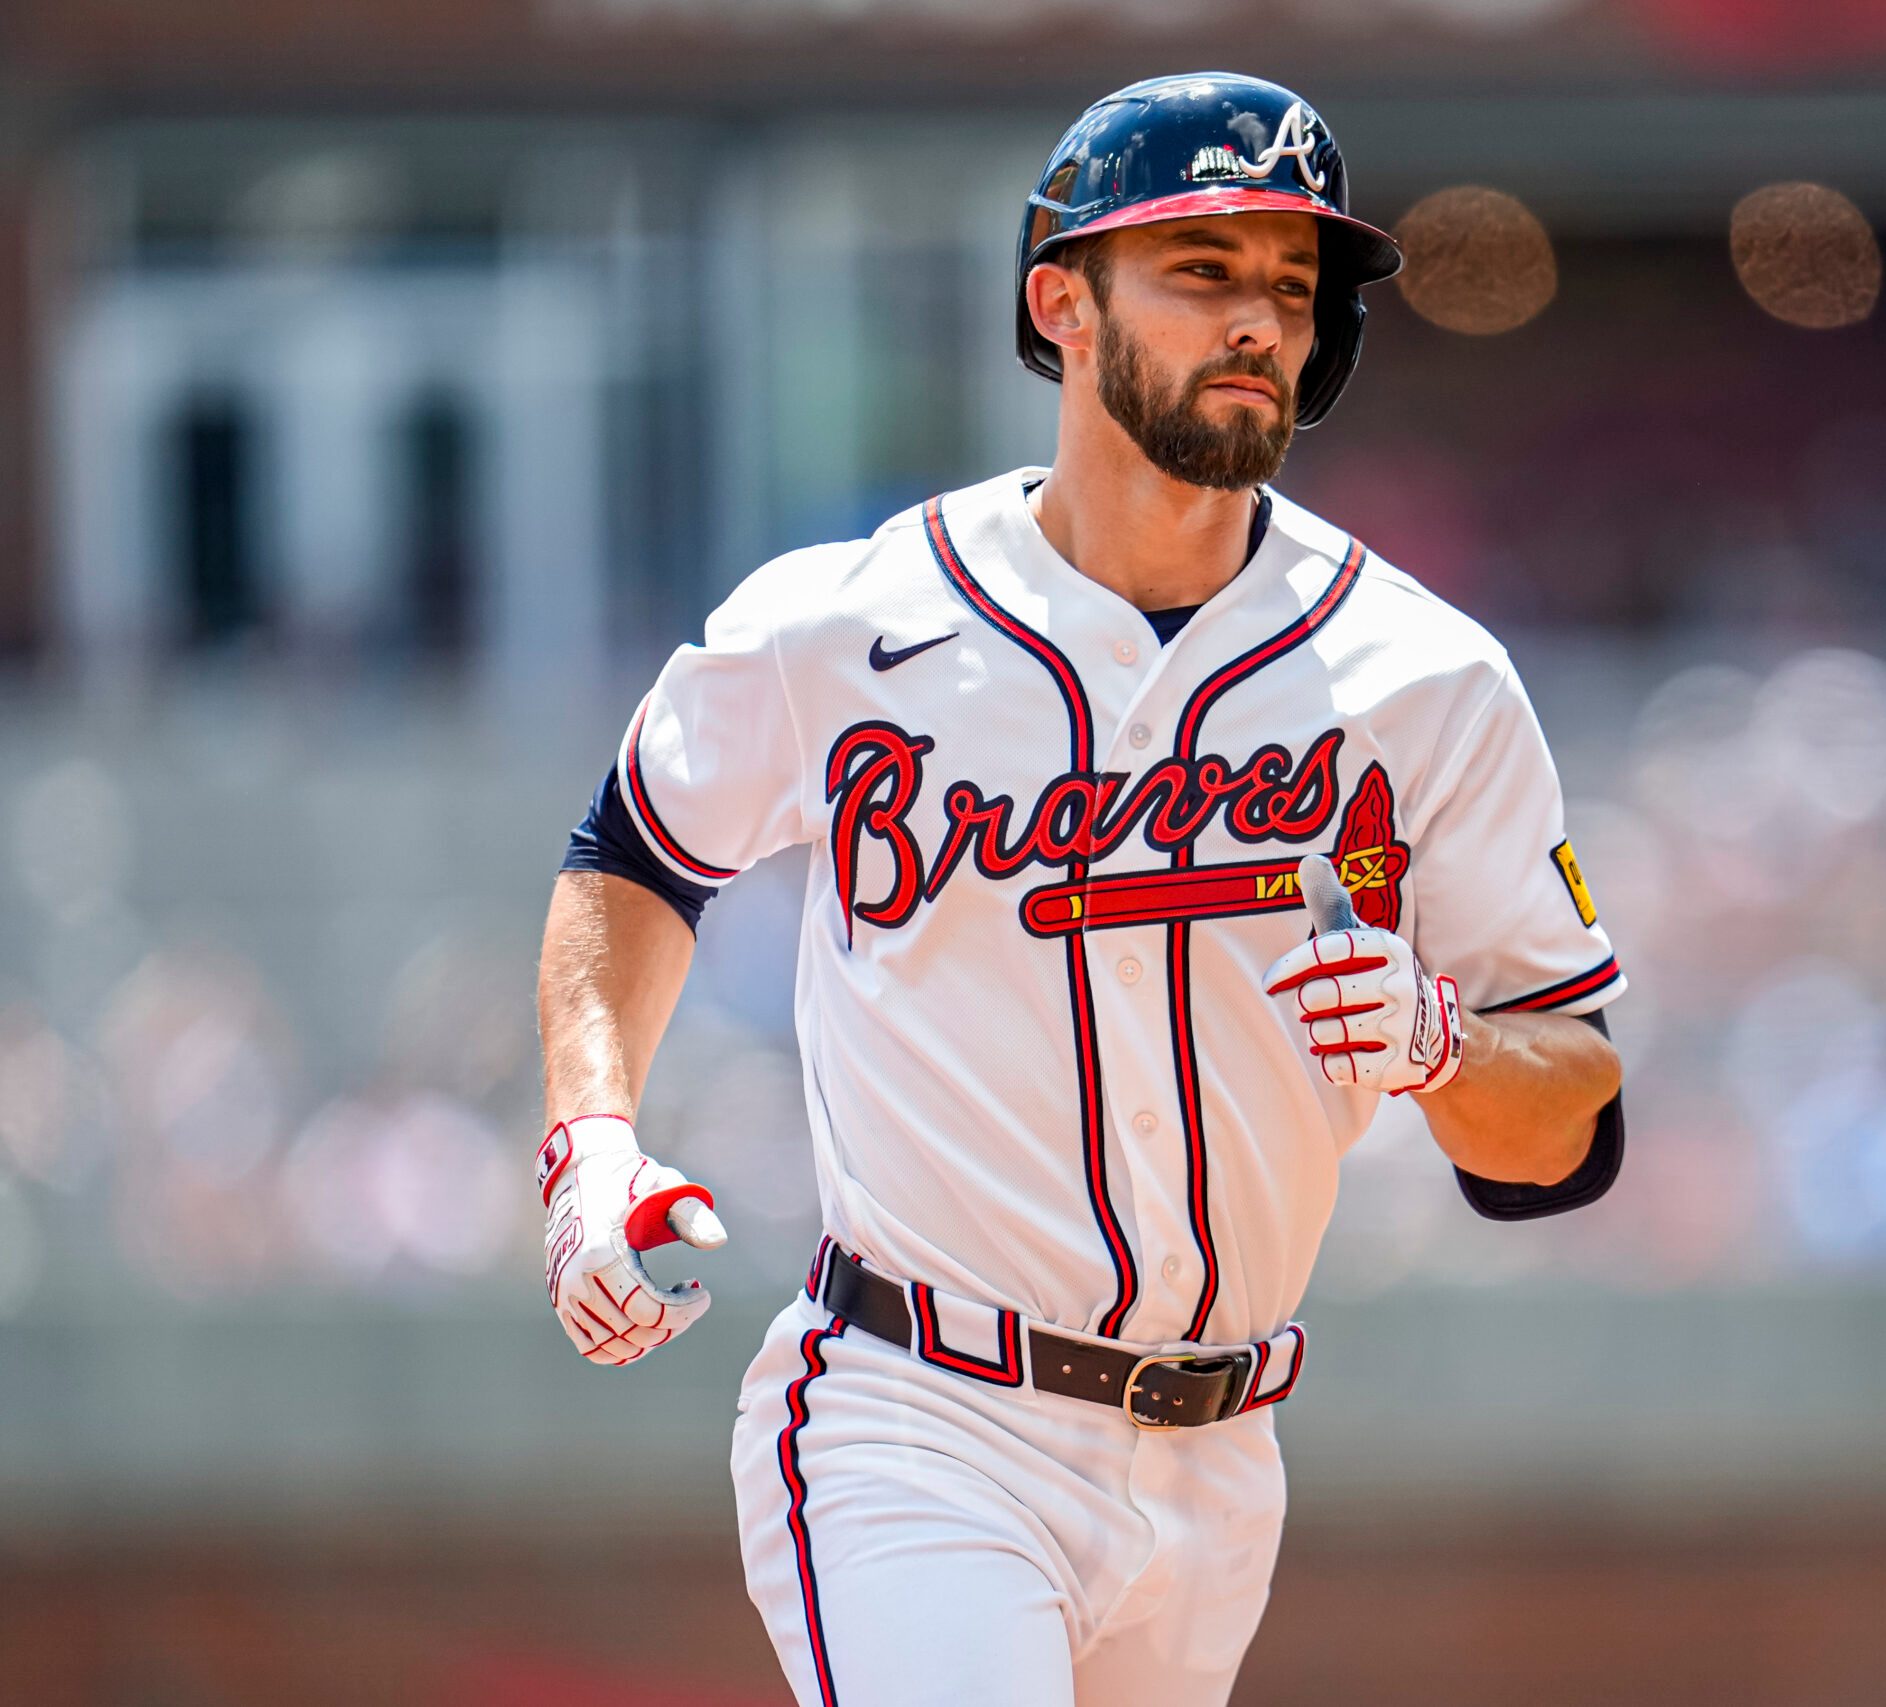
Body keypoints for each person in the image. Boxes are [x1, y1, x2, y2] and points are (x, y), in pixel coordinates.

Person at [534, 72, 1626, 1707]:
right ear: (1063, 299)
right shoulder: (849, 625)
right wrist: (591, 1140)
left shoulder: (1425, 675)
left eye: (1289, 283)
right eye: (1201, 270)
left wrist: (1441, 1044)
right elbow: (634, 851)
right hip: (922, 1414)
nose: (1258, 319)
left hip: (1224, 1456)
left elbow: (1575, 1131)